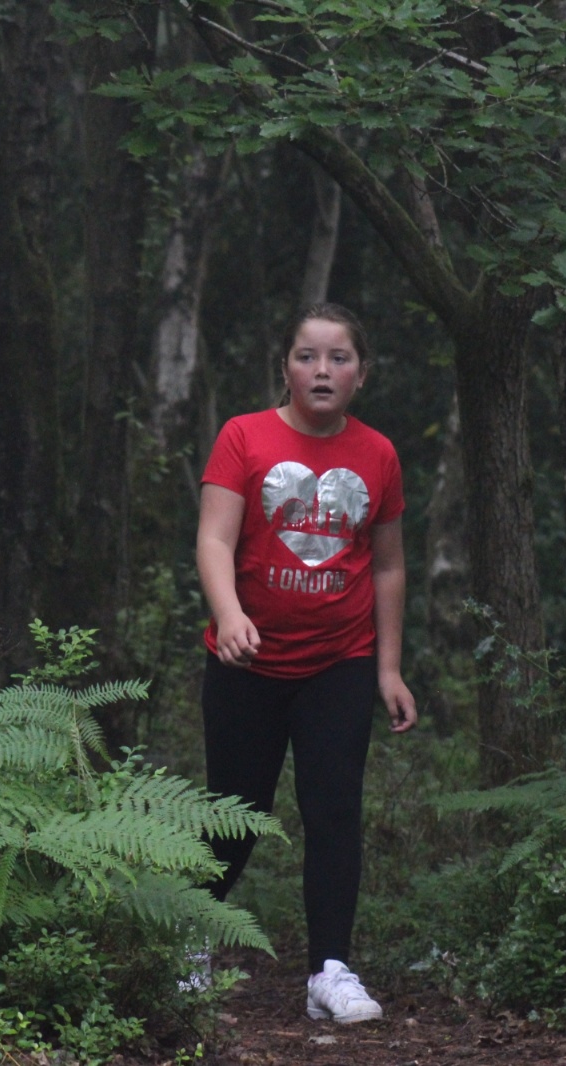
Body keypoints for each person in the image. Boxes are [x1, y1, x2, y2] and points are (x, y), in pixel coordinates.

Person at [196, 302, 417, 1025]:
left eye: (338, 358)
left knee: (333, 810)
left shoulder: (377, 454)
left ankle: (330, 970)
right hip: (247, 664)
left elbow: (387, 566)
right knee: (237, 812)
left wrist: (388, 669)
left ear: (361, 373)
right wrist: (230, 613)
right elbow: (214, 539)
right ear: (286, 367)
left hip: (339, 663)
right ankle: (190, 941)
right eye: (307, 356)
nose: (322, 370)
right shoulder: (244, 436)